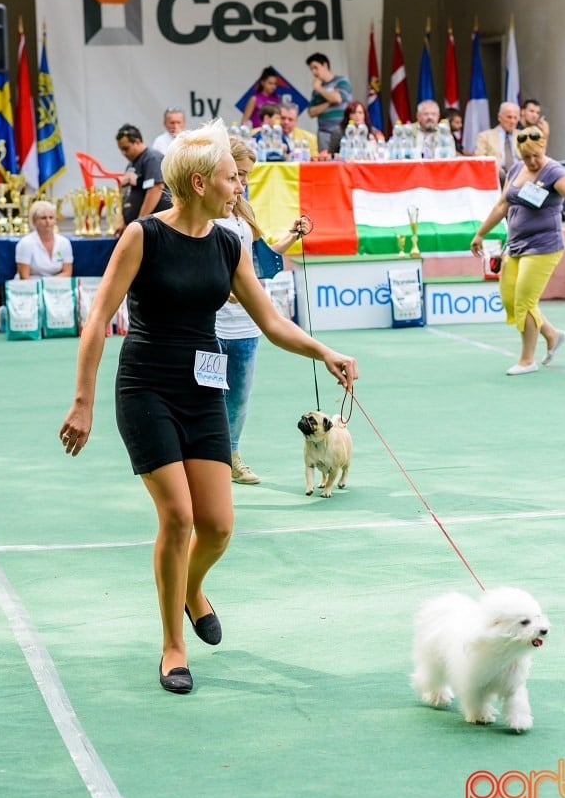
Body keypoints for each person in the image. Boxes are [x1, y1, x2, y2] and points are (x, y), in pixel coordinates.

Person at [59, 119, 357, 695]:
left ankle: (192, 588)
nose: (239, 186)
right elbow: (98, 319)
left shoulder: (229, 243)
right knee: (178, 518)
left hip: (202, 392)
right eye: (230, 177)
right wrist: (82, 402)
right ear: (199, 183)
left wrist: (324, 351)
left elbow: (271, 323)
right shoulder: (143, 236)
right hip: (146, 387)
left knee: (218, 527)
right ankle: (173, 645)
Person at [216, 136, 311, 484]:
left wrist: (291, 237)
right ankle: (204, 462)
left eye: (246, 177)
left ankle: (232, 456)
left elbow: (261, 261)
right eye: (237, 175)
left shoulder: (245, 211)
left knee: (238, 401)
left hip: (246, 324)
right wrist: (225, 291)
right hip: (210, 325)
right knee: (209, 398)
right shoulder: (210, 211)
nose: (242, 184)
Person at [470, 127, 565, 375]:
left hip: (543, 247)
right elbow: (502, 205)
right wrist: (481, 233)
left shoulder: (554, 170)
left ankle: (526, 360)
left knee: (525, 301)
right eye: (526, 157)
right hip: (516, 244)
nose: (532, 162)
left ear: (543, 148)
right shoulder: (515, 169)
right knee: (510, 298)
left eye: (536, 156)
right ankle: (552, 335)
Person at [116, 124, 172, 232]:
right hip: (141, 227)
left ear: (137, 141)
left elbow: (155, 189)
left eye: (126, 148)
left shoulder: (152, 158)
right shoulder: (131, 164)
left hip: (156, 227)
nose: (123, 153)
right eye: (121, 149)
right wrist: (124, 222)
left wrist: (139, 222)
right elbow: (129, 195)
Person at [306, 52, 352, 152]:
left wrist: (319, 89)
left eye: (315, 67)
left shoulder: (341, 81)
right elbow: (311, 112)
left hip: (342, 130)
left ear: (325, 65)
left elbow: (338, 99)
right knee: (325, 163)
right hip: (324, 132)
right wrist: (329, 102)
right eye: (311, 69)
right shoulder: (315, 92)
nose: (314, 72)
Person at [15, 200, 73, 278]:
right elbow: (24, 277)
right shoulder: (25, 243)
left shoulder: (64, 242)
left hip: (56, 285)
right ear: (34, 221)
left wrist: (50, 284)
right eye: (43, 218)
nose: (48, 221)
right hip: (31, 286)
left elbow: (67, 272)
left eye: (51, 218)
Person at [475, 102, 521, 184]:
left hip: (520, 177)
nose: (512, 121)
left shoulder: (523, 135)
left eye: (515, 118)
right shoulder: (485, 136)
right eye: (509, 117)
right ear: (499, 117)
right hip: (496, 177)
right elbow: (479, 159)